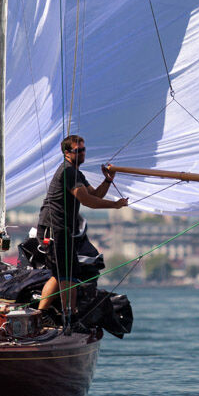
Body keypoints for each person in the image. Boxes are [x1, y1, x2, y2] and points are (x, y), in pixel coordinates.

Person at [36, 134, 128, 319]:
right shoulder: (68, 171)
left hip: (62, 229)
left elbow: (95, 195)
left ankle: (41, 313)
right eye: (78, 151)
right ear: (67, 152)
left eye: (84, 150)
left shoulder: (76, 173)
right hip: (54, 228)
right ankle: (69, 316)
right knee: (67, 274)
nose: (83, 153)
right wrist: (115, 205)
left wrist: (108, 180)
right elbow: (88, 201)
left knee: (61, 273)